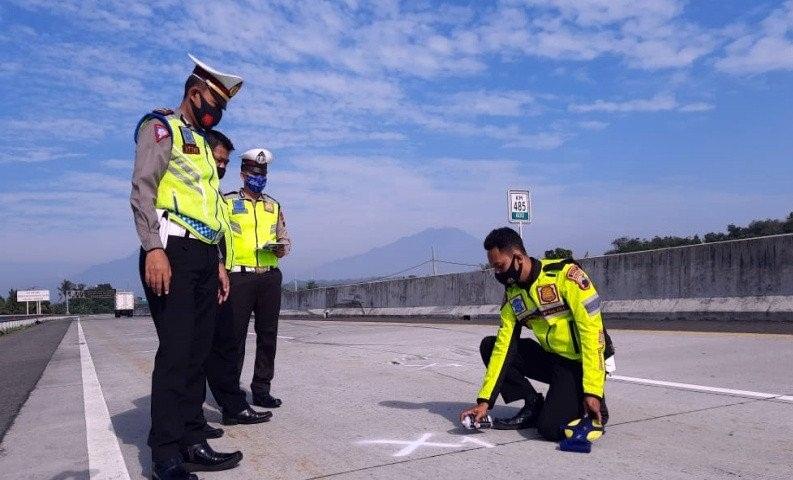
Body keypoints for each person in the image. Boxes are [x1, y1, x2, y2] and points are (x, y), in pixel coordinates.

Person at [130, 53, 243, 480]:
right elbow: (143, 190)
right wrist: (153, 249)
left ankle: (194, 440)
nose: (217, 111)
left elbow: (208, 208)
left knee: (198, 354)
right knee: (176, 353)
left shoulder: (202, 143)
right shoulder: (161, 129)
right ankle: (165, 454)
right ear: (194, 93)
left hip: (201, 255)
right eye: (214, 101)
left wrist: (215, 259)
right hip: (170, 252)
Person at [460, 227, 613, 441]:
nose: (498, 273)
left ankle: (589, 400)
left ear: (518, 258)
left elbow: (593, 334)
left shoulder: (564, 276)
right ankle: (533, 403)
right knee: (490, 345)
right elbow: (504, 346)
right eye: (494, 268)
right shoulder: (514, 295)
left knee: (550, 429)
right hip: (551, 358)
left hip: (578, 362)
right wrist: (485, 401)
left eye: (500, 266)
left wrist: (593, 390)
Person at [206, 148, 291, 419]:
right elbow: (215, 236)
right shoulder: (227, 202)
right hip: (238, 277)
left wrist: (281, 248)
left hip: (269, 275)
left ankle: (262, 389)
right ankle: (233, 396)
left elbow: (284, 238)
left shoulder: (273, 205)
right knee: (234, 338)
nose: (259, 177)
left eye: (263, 173)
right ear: (243, 174)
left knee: (268, 336)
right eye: (254, 173)